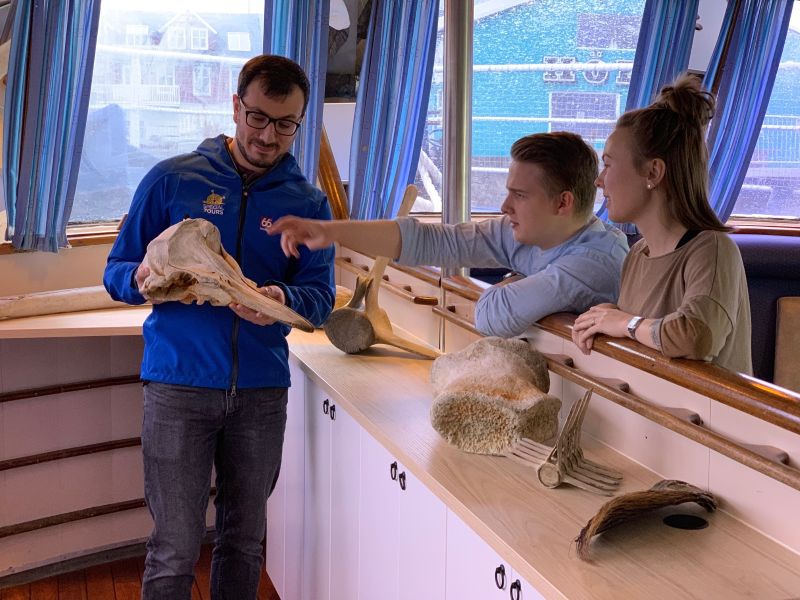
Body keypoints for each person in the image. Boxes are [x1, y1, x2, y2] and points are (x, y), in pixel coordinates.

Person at [103, 55, 335, 599]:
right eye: (258, 117)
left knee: (245, 542)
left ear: (300, 122)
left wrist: (281, 297)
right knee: (175, 547)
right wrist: (144, 278)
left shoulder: (307, 203)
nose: (269, 135)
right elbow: (115, 270)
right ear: (236, 107)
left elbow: (319, 299)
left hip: (260, 392)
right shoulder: (172, 180)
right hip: (178, 387)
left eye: (286, 124)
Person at [270, 131, 629, 338]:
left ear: (563, 203)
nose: (505, 206)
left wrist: (507, 282)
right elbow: (434, 241)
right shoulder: (530, 233)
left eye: (519, 195)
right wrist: (329, 230)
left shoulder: (593, 263)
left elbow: (491, 315)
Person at [571, 75, 752, 374]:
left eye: (609, 164)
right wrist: (612, 318)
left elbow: (695, 337)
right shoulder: (637, 255)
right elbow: (646, 337)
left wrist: (622, 322)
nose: (599, 180)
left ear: (653, 172)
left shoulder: (712, 249)